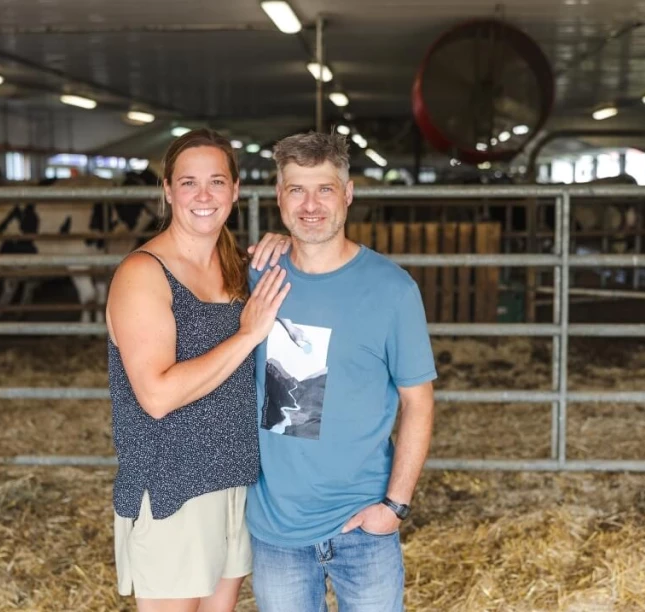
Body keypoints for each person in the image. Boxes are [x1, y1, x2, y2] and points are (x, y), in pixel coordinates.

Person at [246, 130, 437, 611]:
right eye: (296, 189)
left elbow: (418, 402)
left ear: (348, 194)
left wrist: (395, 506)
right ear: (279, 196)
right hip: (277, 530)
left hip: (363, 526)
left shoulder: (392, 290)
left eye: (325, 189)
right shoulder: (255, 274)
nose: (311, 205)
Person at [105, 128, 290, 612]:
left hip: (234, 480)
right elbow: (156, 396)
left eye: (216, 182)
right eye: (189, 183)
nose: (203, 196)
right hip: (174, 487)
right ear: (168, 191)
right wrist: (246, 334)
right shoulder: (143, 273)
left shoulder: (238, 265)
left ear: (235, 190)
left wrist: (286, 242)